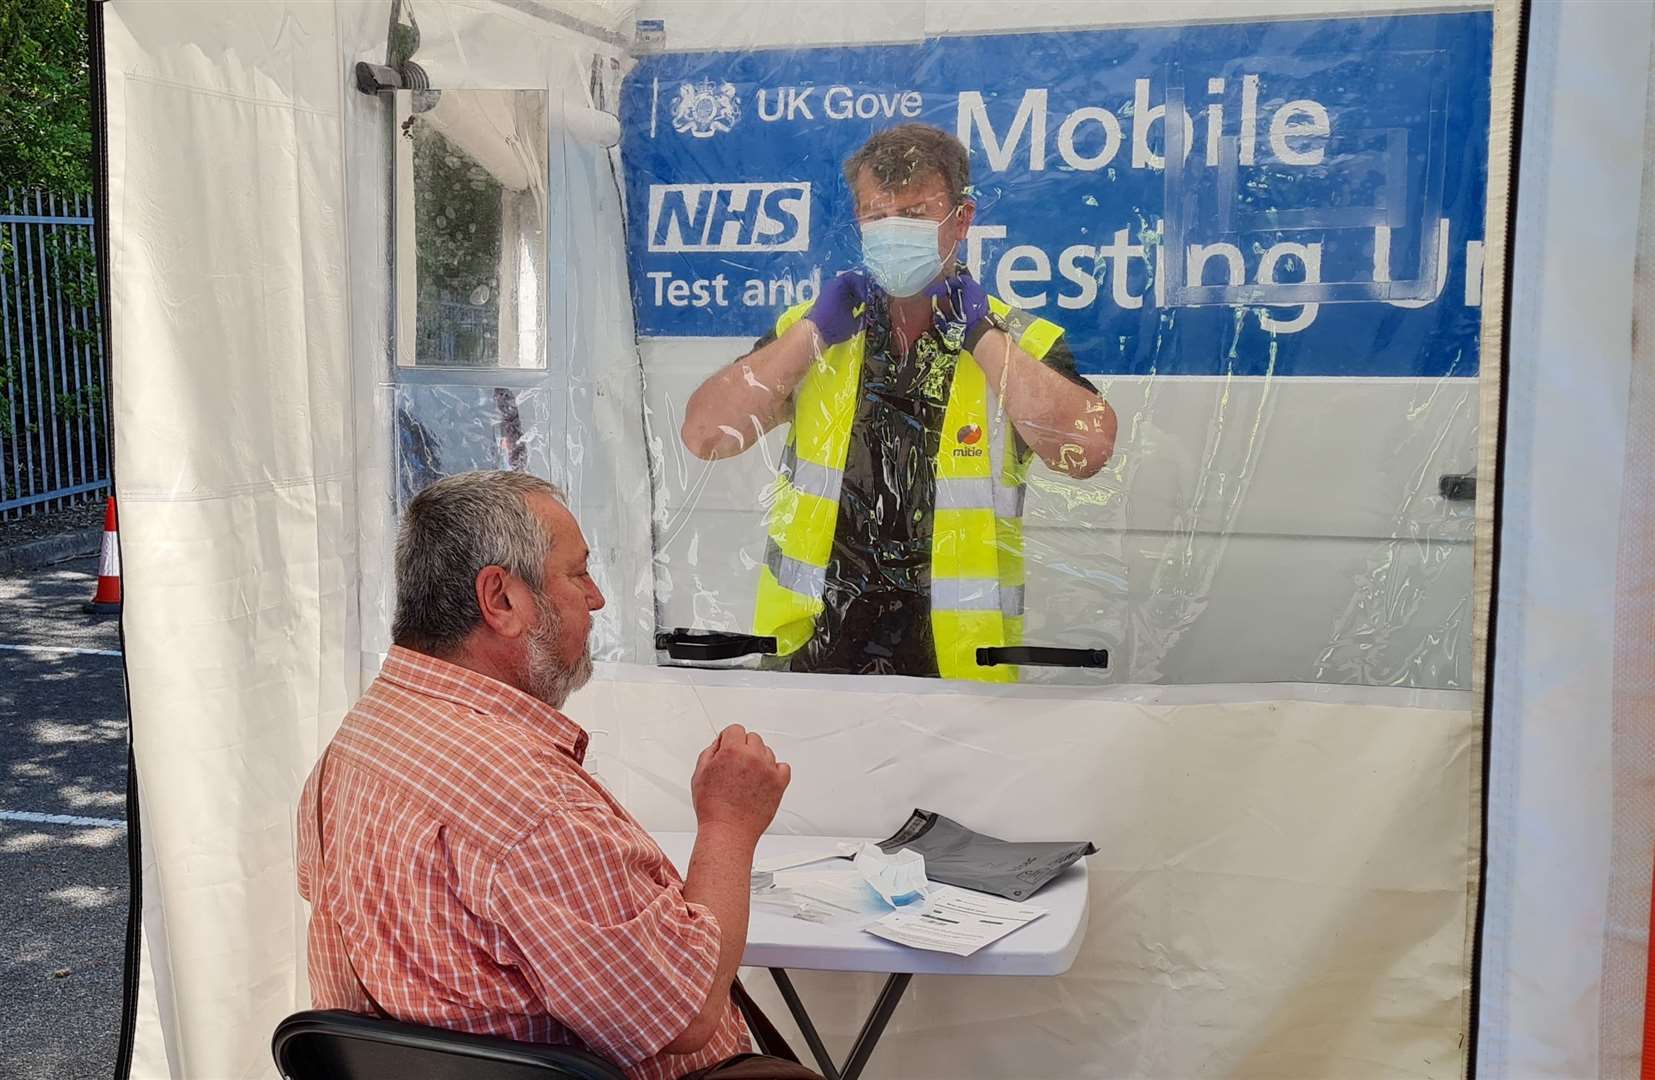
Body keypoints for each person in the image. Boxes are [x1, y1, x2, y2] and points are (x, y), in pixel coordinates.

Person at [296, 470, 818, 1080]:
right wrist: (730, 824)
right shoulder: (529, 805)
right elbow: (687, 1015)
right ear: (502, 601)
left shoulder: (358, 743)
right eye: (577, 573)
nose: (595, 598)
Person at [680, 123, 1117, 683]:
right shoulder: (816, 337)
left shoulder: (1017, 342)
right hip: (813, 653)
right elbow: (704, 436)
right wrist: (810, 333)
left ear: (960, 220)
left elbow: (1088, 450)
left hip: (959, 665)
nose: (893, 231)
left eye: (912, 215)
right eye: (876, 215)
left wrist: (982, 337)